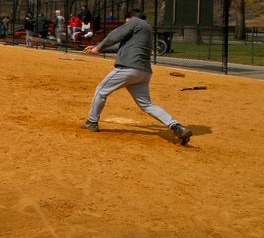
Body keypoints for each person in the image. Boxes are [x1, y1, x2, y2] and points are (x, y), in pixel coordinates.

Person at [81, 9, 192, 145]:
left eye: (126, 21)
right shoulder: (146, 30)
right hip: (144, 73)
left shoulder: (135, 22)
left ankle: (92, 122)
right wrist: (99, 47)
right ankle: (177, 126)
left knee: (100, 90)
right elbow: (121, 46)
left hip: (129, 68)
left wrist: (99, 47)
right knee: (147, 105)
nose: (125, 24)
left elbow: (115, 35)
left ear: (131, 18)